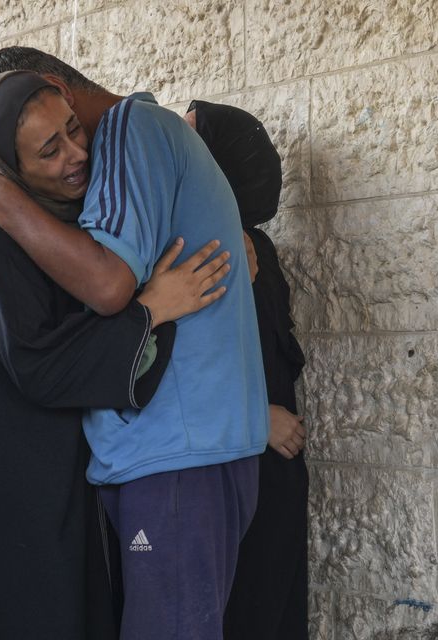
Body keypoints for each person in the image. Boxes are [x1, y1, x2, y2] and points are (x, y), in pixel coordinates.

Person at [0, 49, 269, 640]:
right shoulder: (137, 141)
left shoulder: (131, 129)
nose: (74, 154)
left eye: (69, 132)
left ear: (57, 87)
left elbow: (107, 284)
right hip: (183, 449)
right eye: (46, 151)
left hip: (176, 453)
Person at [186, 101, 308, 640]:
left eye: (191, 142)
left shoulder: (245, 250)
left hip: (258, 468)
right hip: (240, 451)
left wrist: (258, 417)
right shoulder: (209, 247)